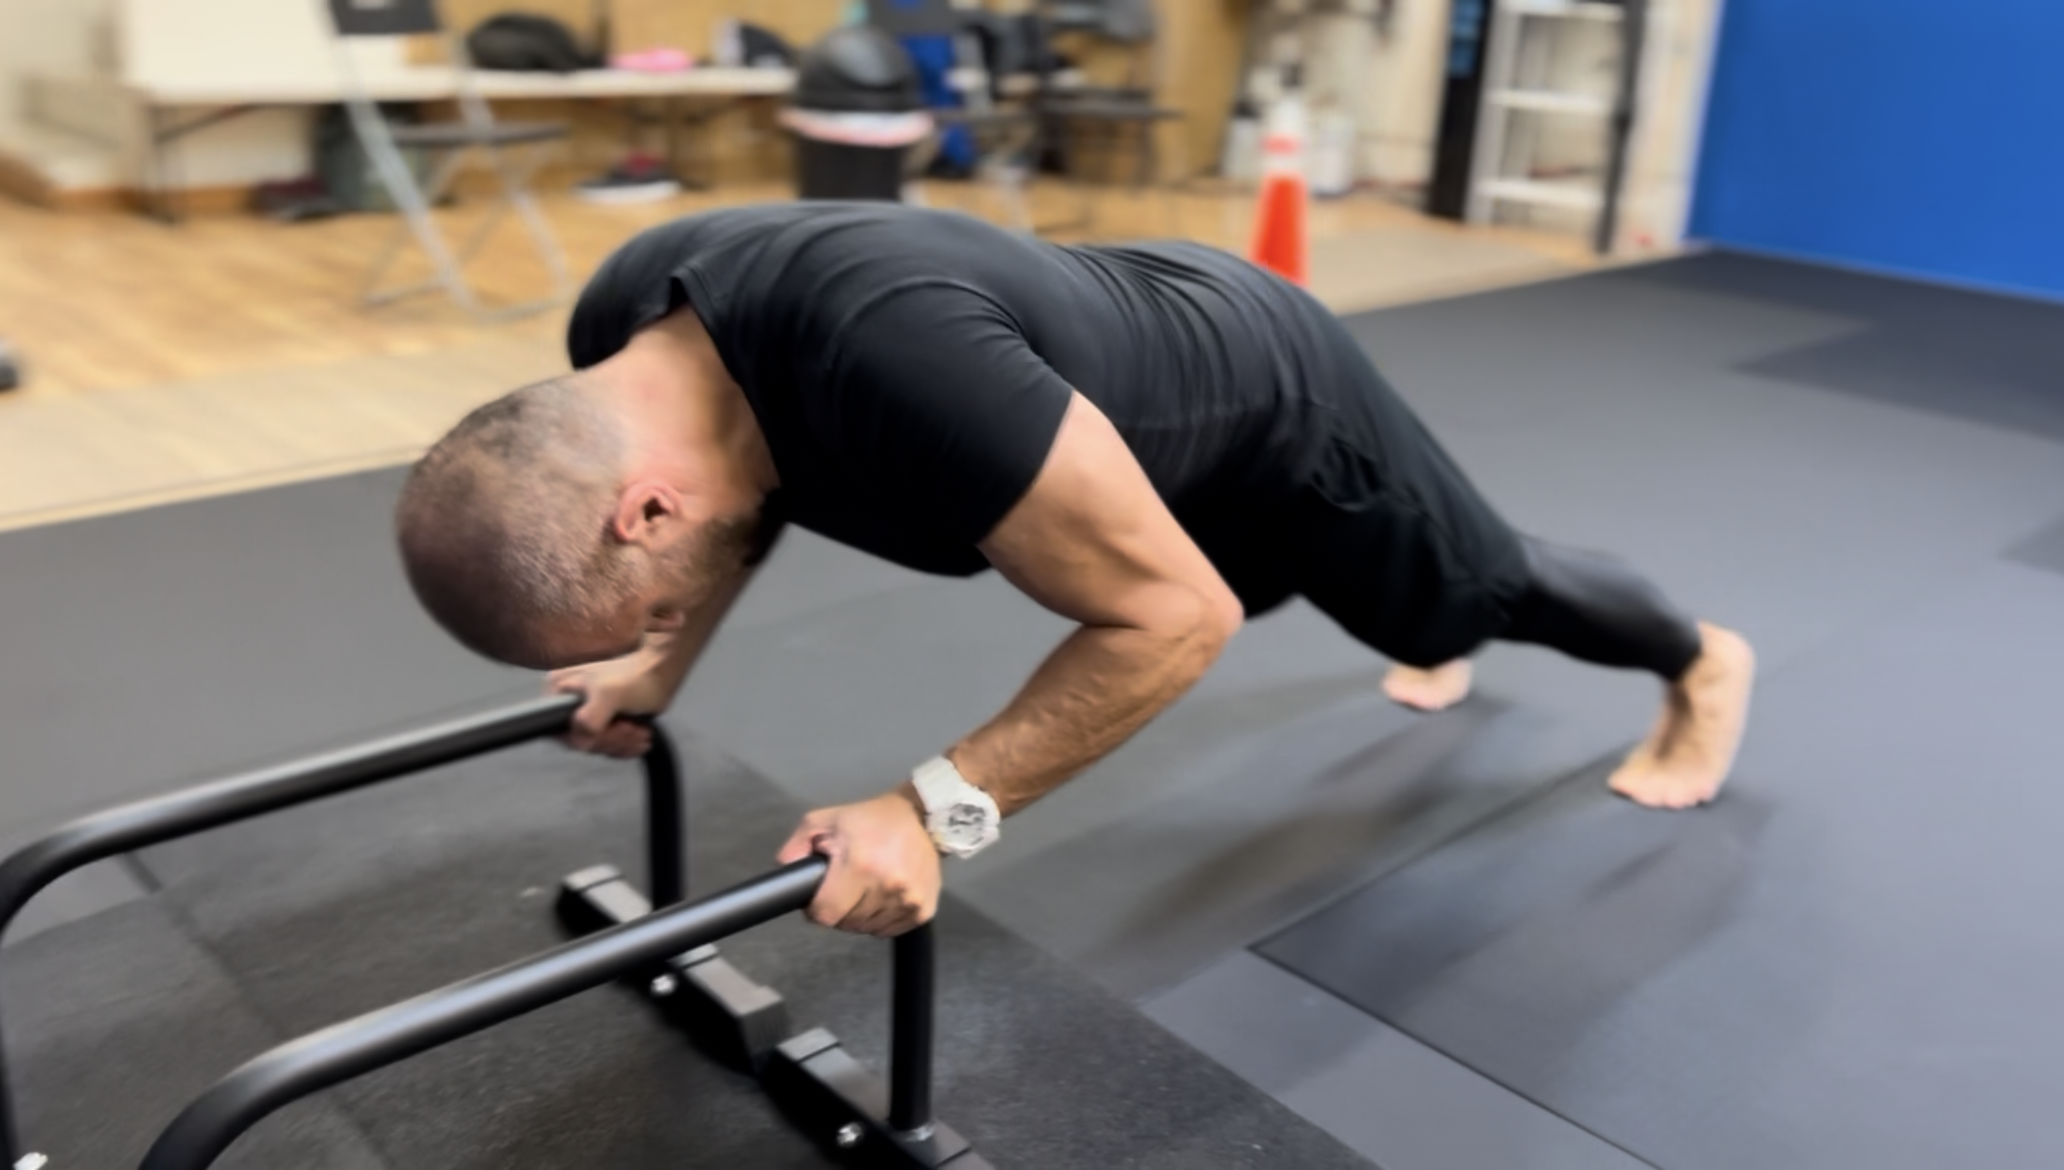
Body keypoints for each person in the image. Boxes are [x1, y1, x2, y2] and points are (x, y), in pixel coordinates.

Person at [394, 203, 1754, 939]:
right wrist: (660, 654)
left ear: (642, 506)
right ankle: (1407, 601)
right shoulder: (625, 333)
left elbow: (1178, 617)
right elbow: (733, 508)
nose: (668, 611)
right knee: (1348, 598)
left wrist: (937, 815)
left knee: (1471, 592)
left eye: (658, 599)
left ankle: (1700, 659)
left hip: (1274, 408)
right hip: (1104, 414)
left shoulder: (899, 365)